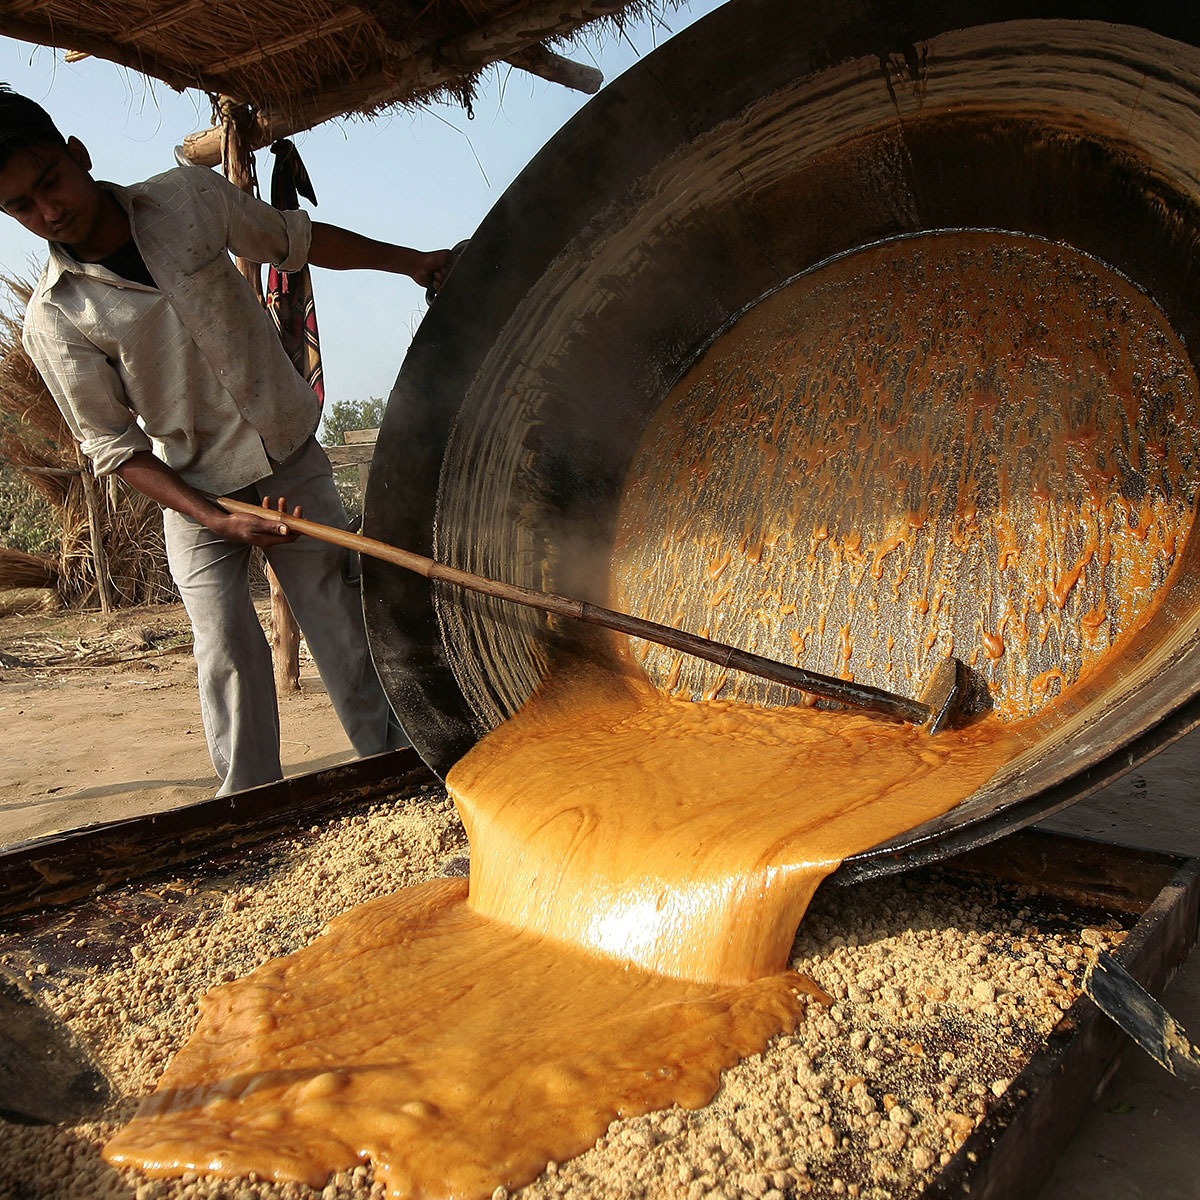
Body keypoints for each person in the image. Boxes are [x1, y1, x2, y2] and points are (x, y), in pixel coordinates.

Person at [0, 86, 452, 796]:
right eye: (21, 206)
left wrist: (410, 261)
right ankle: (250, 811)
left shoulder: (188, 199)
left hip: (288, 460)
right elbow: (116, 447)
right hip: (193, 493)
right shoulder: (56, 319)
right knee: (225, 651)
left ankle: (398, 776)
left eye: (51, 181)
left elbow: (294, 239)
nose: (47, 210)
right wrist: (215, 517)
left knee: (340, 619)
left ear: (78, 156)